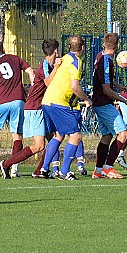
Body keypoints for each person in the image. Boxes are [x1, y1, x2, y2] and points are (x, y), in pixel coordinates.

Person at [0, 39, 60, 179]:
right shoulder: (44, 66)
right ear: (56, 51)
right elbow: (48, 83)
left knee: (55, 139)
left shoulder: (49, 67)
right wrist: (57, 67)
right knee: (39, 146)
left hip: (43, 108)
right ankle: (6, 164)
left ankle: (40, 171)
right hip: (34, 108)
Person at [39, 35, 92, 180]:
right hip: (59, 103)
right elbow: (75, 87)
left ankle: (44, 169)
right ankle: (64, 171)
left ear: (69, 47)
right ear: (83, 48)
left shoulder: (64, 59)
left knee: (58, 135)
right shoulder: (76, 62)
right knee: (76, 135)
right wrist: (86, 99)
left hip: (47, 101)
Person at [0, 40, 35, 177]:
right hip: (17, 100)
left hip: (0, 102)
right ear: (3, 48)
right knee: (17, 136)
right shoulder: (15, 58)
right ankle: (14, 168)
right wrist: (33, 87)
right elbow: (30, 71)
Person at [91, 33, 127, 179]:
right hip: (103, 103)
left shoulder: (100, 56)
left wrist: (117, 85)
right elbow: (106, 89)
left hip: (99, 102)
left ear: (104, 44)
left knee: (107, 136)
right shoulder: (105, 61)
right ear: (117, 47)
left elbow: (104, 81)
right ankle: (108, 168)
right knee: (123, 133)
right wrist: (125, 100)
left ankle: (98, 171)